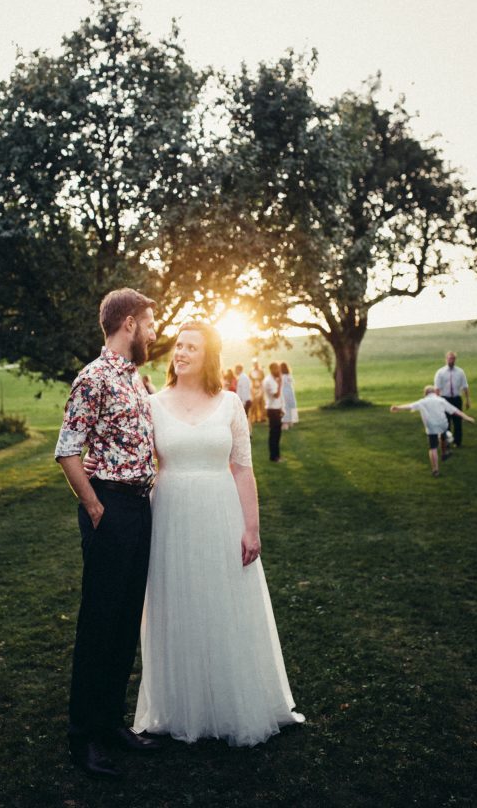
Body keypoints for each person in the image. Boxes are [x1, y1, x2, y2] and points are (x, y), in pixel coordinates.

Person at [133, 321, 304, 745]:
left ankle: (232, 702)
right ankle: (180, 706)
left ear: (209, 356)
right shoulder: (152, 404)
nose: (182, 353)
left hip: (221, 512)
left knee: (223, 602)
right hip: (170, 513)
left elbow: (243, 468)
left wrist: (252, 528)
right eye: (179, 346)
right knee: (178, 603)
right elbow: (143, 466)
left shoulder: (229, 403)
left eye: (192, 347)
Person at [54, 288, 162, 778]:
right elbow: (67, 450)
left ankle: (112, 722)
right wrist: (94, 505)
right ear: (130, 324)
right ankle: (83, 739)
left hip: (140, 510)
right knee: (99, 624)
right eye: (152, 323)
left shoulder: (137, 380)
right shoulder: (93, 378)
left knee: (124, 622)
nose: (156, 332)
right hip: (110, 509)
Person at [390, 385, 475, 477]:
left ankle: (435, 470)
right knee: (444, 434)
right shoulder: (441, 400)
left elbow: (410, 406)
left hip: (431, 427)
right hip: (443, 424)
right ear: (435, 392)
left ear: (425, 393)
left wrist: (397, 408)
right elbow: (455, 411)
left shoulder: (422, 402)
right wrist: (467, 417)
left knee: (433, 447)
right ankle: (444, 452)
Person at [434, 351, 471, 447]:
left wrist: (467, 399)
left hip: (456, 399)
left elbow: (465, 386)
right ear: (446, 359)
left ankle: (457, 442)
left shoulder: (460, 372)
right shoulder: (440, 372)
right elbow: (437, 388)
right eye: (449, 359)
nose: (451, 361)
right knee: (446, 422)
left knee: (458, 421)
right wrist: (437, 402)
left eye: (453, 359)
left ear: (455, 360)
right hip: (444, 399)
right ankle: (447, 442)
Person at [262, 362, 284, 463]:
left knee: (278, 433)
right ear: (272, 369)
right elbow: (276, 395)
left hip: (276, 409)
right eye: (277, 369)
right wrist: (280, 384)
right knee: (274, 434)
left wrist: (281, 408)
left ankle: (277, 455)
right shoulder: (268, 381)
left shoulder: (273, 379)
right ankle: (273, 457)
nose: (279, 371)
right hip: (272, 410)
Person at [279, 362, 299, 430]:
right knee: (290, 406)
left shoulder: (281, 376)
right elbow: (293, 383)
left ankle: (285, 423)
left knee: (285, 407)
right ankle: (291, 421)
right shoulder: (289, 375)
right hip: (290, 392)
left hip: (284, 393)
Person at [235, 364, 252, 429]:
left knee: (245, 418)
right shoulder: (242, 377)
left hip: (245, 401)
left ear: (238, 369)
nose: (235, 371)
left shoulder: (243, 378)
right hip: (244, 400)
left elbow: (244, 391)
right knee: (245, 417)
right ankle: (248, 433)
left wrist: (243, 403)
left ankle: (248, 433)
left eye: (235, 369)